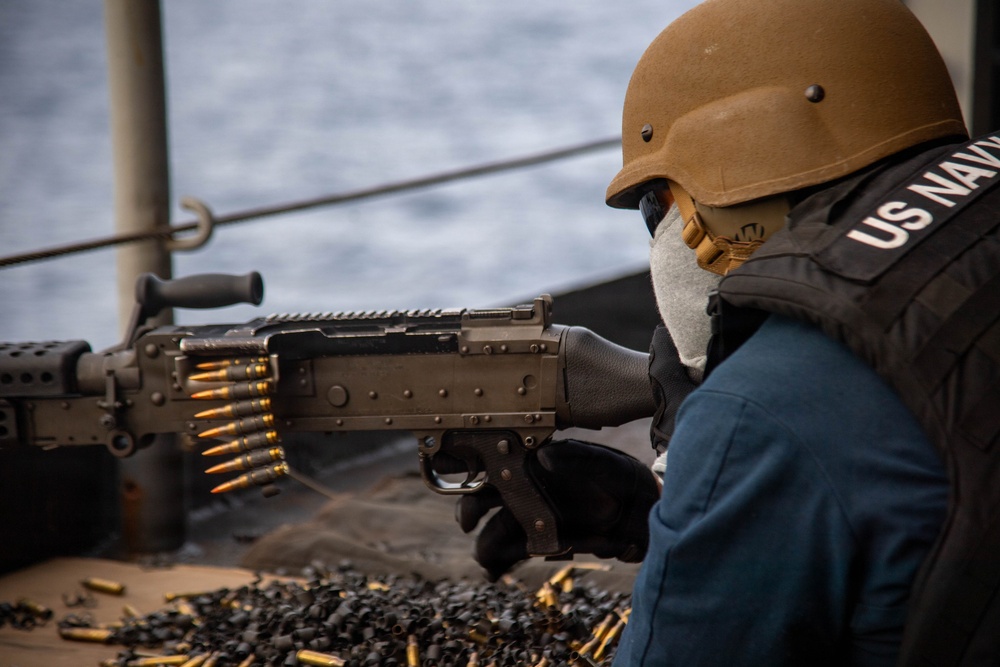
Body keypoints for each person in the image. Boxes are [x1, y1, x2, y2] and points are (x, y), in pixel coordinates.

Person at [457, 0, 1000, 664]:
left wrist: (719, 446)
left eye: (660, 203)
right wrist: (667, 511)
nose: (671, 234)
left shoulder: (765, 406)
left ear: (740, 169)